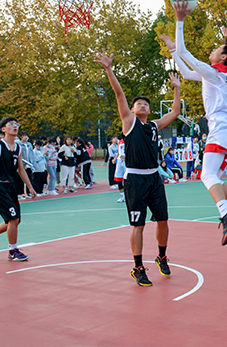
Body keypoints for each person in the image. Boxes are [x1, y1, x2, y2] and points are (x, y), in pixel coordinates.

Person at [160, 0, 227, 245]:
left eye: (216, 48)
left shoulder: (215, 73)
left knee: (206, 175)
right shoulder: (219, 75)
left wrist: (180, 21)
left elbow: (185, 53)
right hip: (226, 126)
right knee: (214, 178)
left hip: (221, 125)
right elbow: (187, 73)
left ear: (223, 57)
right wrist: (173, 51)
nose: (212, 50)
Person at [95, 48, 182, 287]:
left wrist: (176, 88)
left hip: (154, 179)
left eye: (145, 104)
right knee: (138, 225)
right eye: (138, 104)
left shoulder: (153, 126)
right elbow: (119, 93)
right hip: (135, 180)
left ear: (149, 110)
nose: (142, 105)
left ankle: (161, 256)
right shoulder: (129, 123)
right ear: (132, 110)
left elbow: (175, 111)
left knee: (163, 221)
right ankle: (138, 267)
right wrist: (109, 69)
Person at [0, 117, 37, 261]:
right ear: (3, 129)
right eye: (11, 124)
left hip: (11, 186)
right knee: (13, 218)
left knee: (14, 221)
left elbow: (21, 170)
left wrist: (30, 187)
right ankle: (12, 251)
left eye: (16, 124)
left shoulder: (18, 148)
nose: (15, 126)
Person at [114, 134, 126, 202]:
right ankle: (122, 195)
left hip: (127, 161)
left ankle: (128, 195)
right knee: (118, 178)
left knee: (128, 179)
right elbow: (119, 152)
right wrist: (115, 158)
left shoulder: (129, 140)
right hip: (119, 161)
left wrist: (126, 156)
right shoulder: (120, 142)